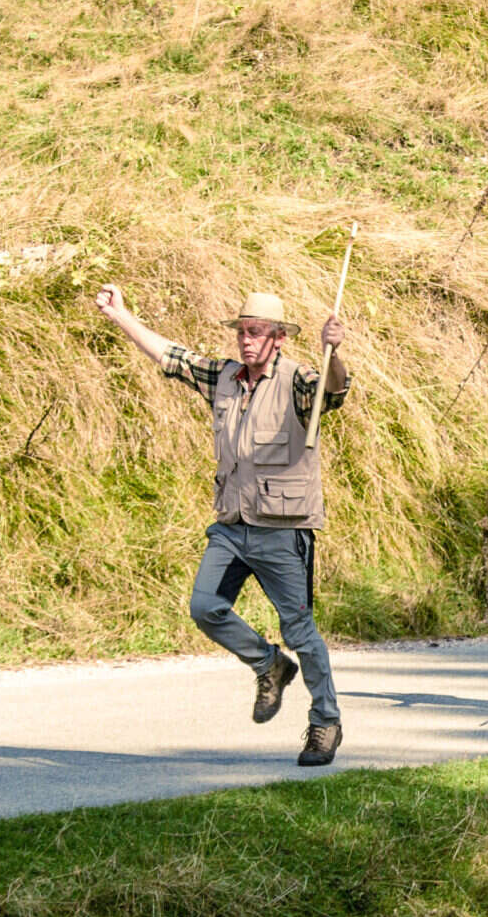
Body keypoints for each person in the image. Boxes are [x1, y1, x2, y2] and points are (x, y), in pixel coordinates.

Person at [93, 283, 351, 766]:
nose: (245, 340)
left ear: (277, 337)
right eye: (241, 332)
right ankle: (268, 664)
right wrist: (120, 317)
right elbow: (171, 356)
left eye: (255, 332)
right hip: (232, 523)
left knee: (300, 630)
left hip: (282, 527)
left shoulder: (298, 379)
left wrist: (333, 350)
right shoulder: (225, 377)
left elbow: (332, 393)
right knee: (205, 607)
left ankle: (325, 722)